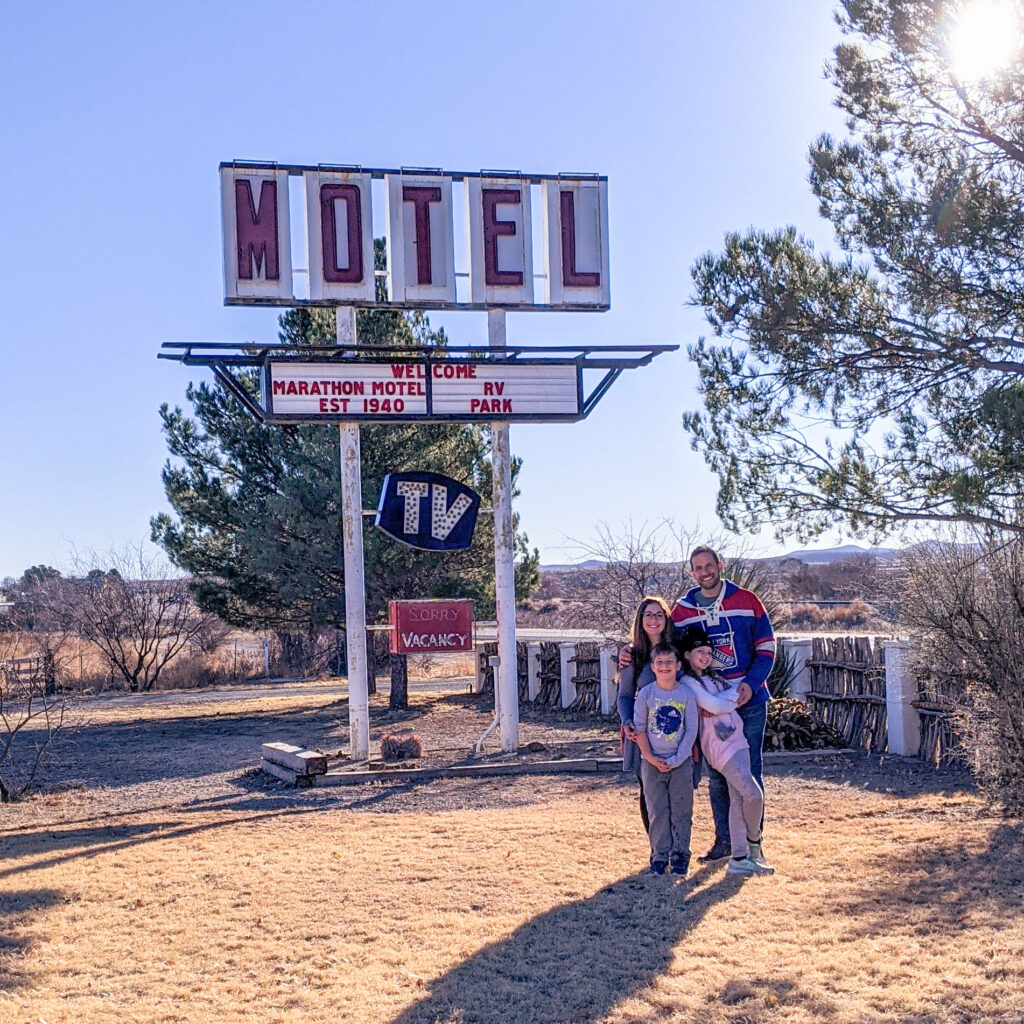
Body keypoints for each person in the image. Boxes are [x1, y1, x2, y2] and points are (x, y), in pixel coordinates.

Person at [672, 546, 776, 863]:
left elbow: (767, 647)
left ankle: (753, 843)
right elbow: (666, 649)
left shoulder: (746, 601)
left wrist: (751, 683)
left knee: (750, 771)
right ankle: (726, 842)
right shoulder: (683, 610)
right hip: (708, 704)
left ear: (720, 565)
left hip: (750, 699)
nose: (704, 572)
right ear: (692, 573)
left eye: (709, 566)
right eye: (697, 568)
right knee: (718, 774)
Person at [676, 627, 773, 875]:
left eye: (709, 652)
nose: (706, 657)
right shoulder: (687, 682)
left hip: (737, 740)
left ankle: (739, 858)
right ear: (686, 654)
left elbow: (735, 692)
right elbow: (715, 703)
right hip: (719, 746)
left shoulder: (714, 677)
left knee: (738, 798)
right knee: (753, 794)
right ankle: (754, 843)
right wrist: (725, 703)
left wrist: (724, 702)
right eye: (700, 652)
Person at [631, 642, 699, 876]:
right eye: (659, 662)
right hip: (651, 763)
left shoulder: (686, 694)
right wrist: (650, 757)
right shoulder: (647, 695)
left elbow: (691, 730)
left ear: (679, 665)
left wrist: (678, 758)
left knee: (681, 810)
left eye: (669, 662)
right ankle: (659, 856)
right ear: (652, 666)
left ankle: (680, 855)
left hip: (680, 763)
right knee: (657, 811)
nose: (664, 666)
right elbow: (639, 727)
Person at [617, 596, 675, 832]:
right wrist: (628, 722)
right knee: (649, 792)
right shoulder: (632, 655)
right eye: (648, 615)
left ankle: (677, 847)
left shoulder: (677, 651)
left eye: (659, 614)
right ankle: (657, 848)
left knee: (676, 790)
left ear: (666, 619)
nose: (654, 620)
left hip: (675, 731)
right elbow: (624, 695)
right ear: (640, 620)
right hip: (643, 734)